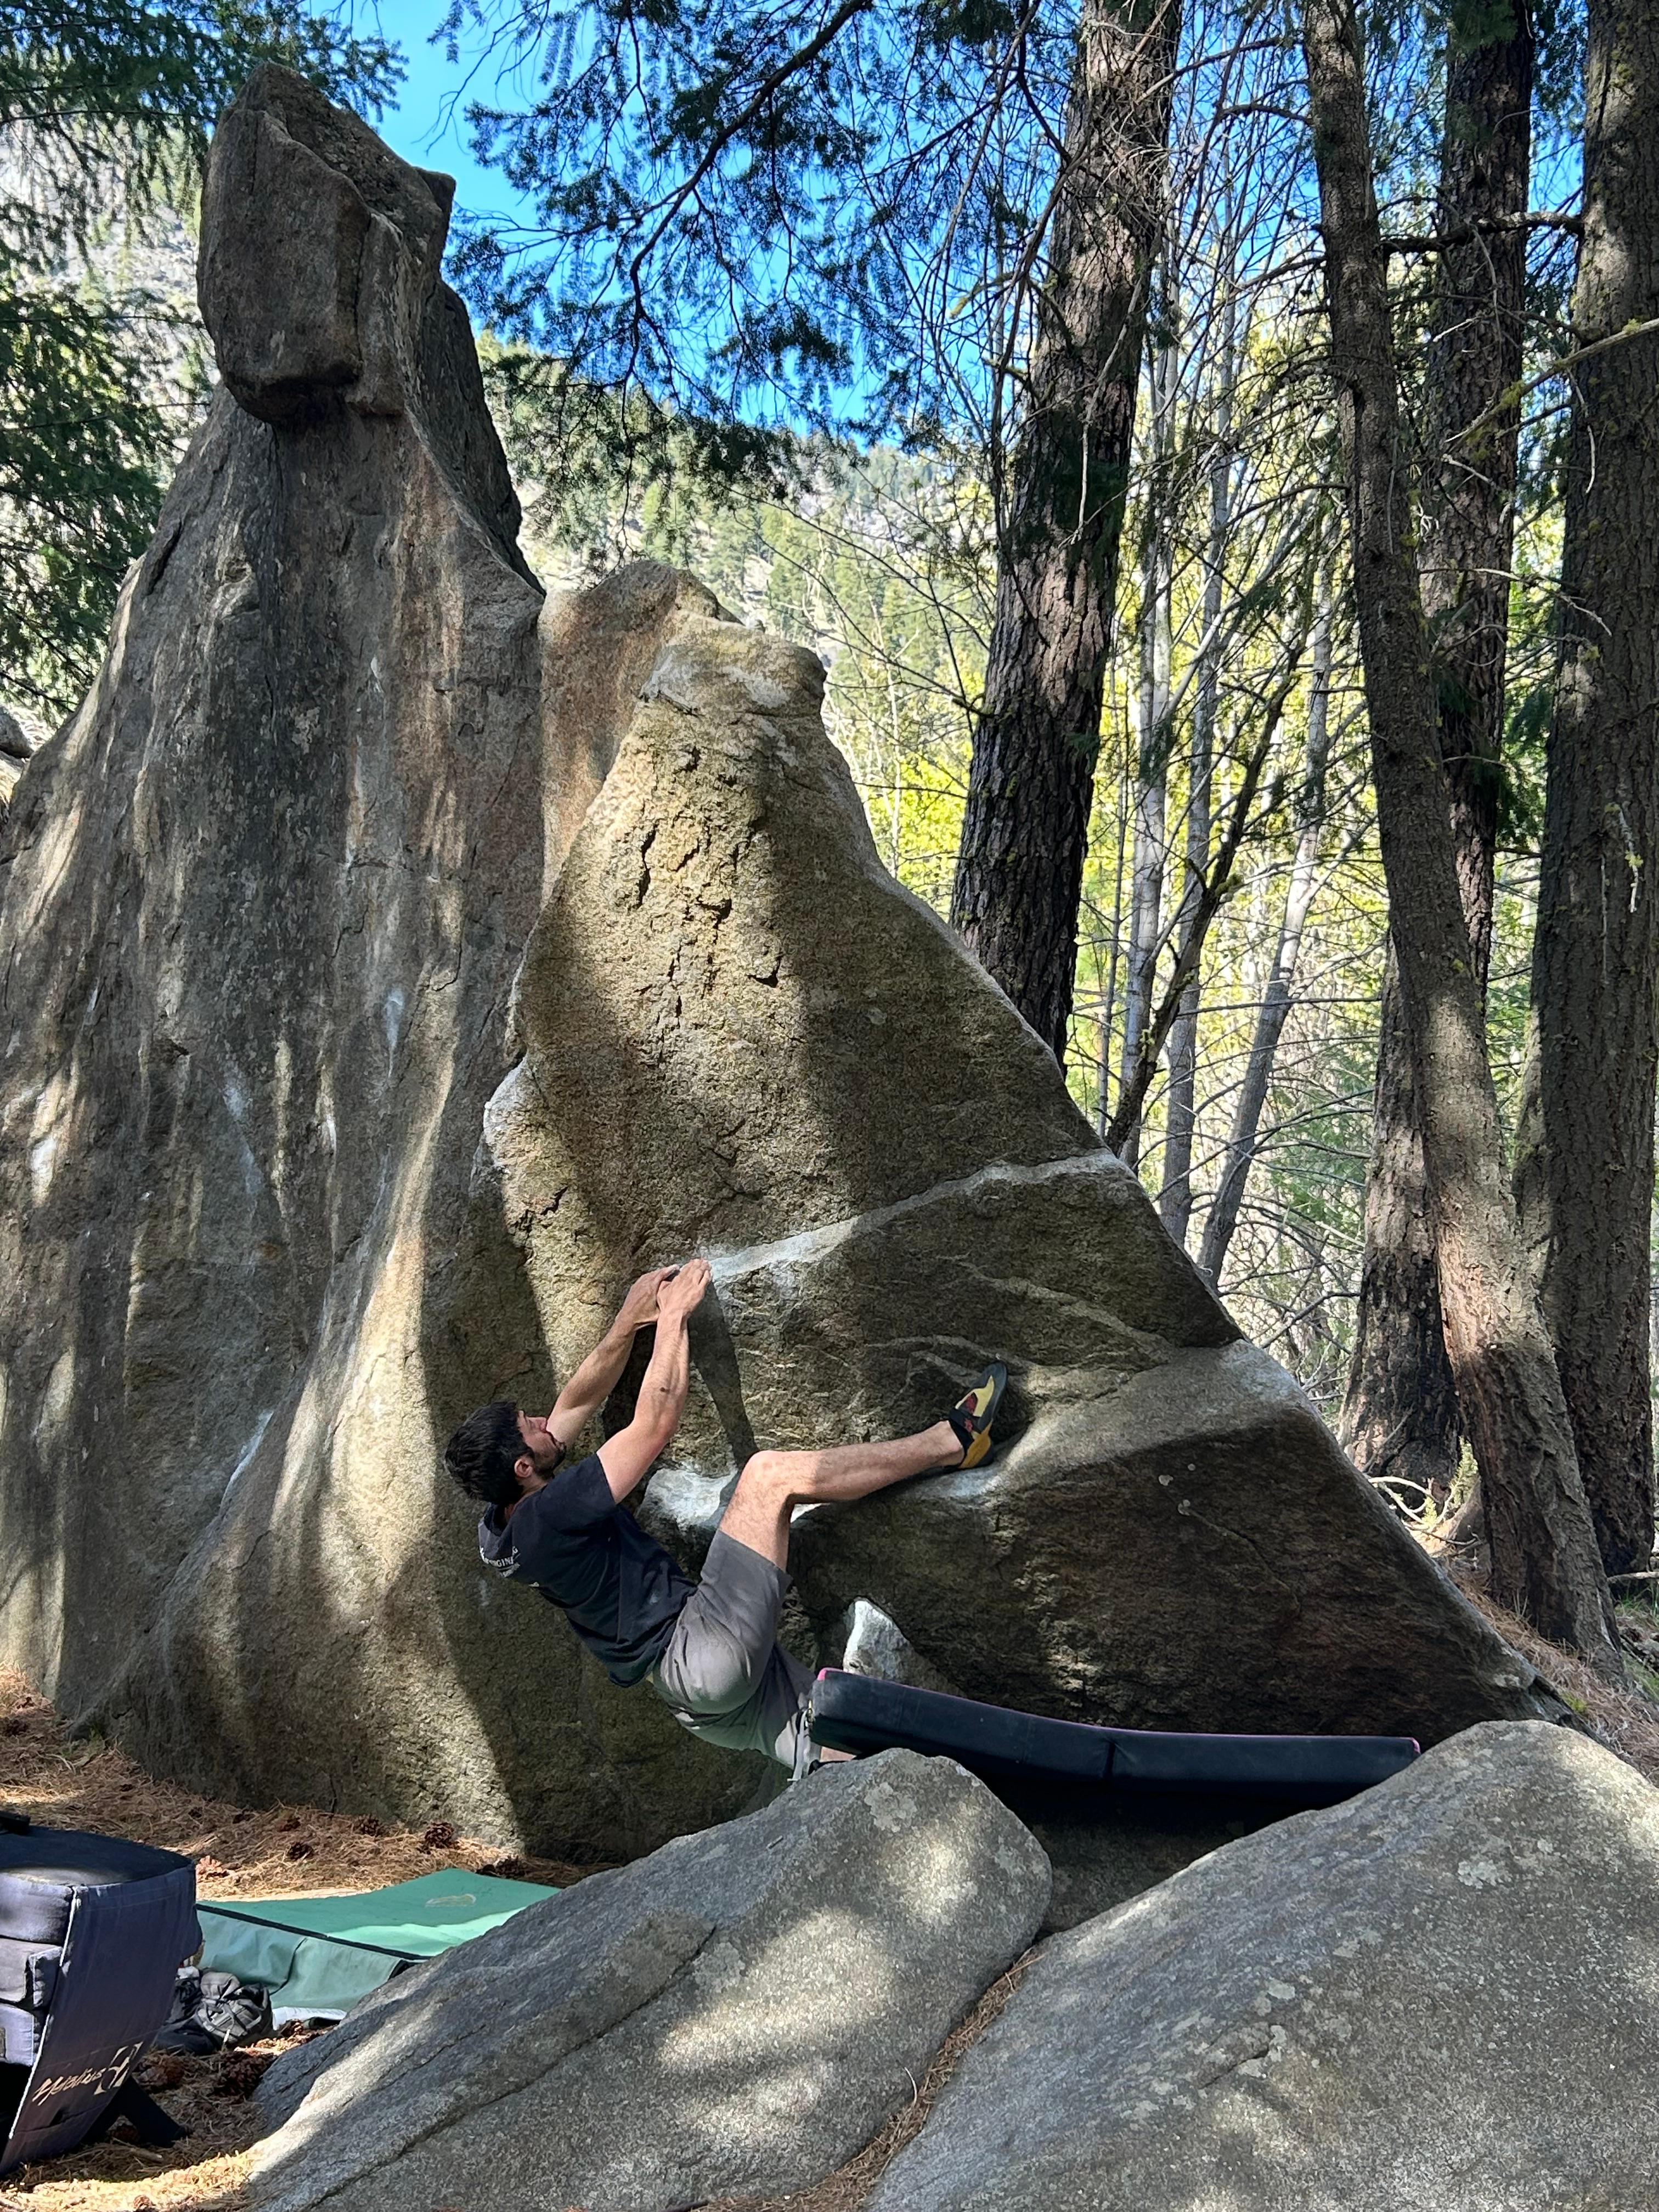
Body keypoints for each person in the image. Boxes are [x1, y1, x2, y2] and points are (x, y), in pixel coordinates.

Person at [444, 1257, 1005, 1779]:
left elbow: (569, 1411)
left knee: (843, 1755)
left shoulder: (501, 1531)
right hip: (701, 1648)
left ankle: (969, 1778)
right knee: (768, 1478)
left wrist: (627, 1322)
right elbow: (655, 1424)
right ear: (522, 1466)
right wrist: (672, 1318)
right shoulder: (552, 1512)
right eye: (529, 1425)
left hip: (699, 1702)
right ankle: (952, 1442)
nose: (543, 1419)